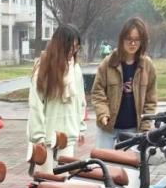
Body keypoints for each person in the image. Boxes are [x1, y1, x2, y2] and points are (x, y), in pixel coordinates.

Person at [91, 17, 158, 150]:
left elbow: (151, 100)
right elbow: (98, 92)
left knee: (129, 164)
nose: (132, 43)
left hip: (133, 130)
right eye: (129, 39)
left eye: (137, 39)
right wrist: (103, 114)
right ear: (122, 39)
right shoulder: (108, 63)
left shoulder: (147, 65)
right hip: (107, 128)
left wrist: (145, 125)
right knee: (102, 161)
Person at [27, 24, 86, 161]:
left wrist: (81, 127)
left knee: (65, 174)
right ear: (59, 45)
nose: (73, 51)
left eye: (76, 47)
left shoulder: (75, 68)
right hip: (47, 138)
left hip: (68, 137)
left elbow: (80, 101)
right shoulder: (44, 68)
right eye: (70, 46)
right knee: (47, 175)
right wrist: (38, 137)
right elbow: (36, 104)